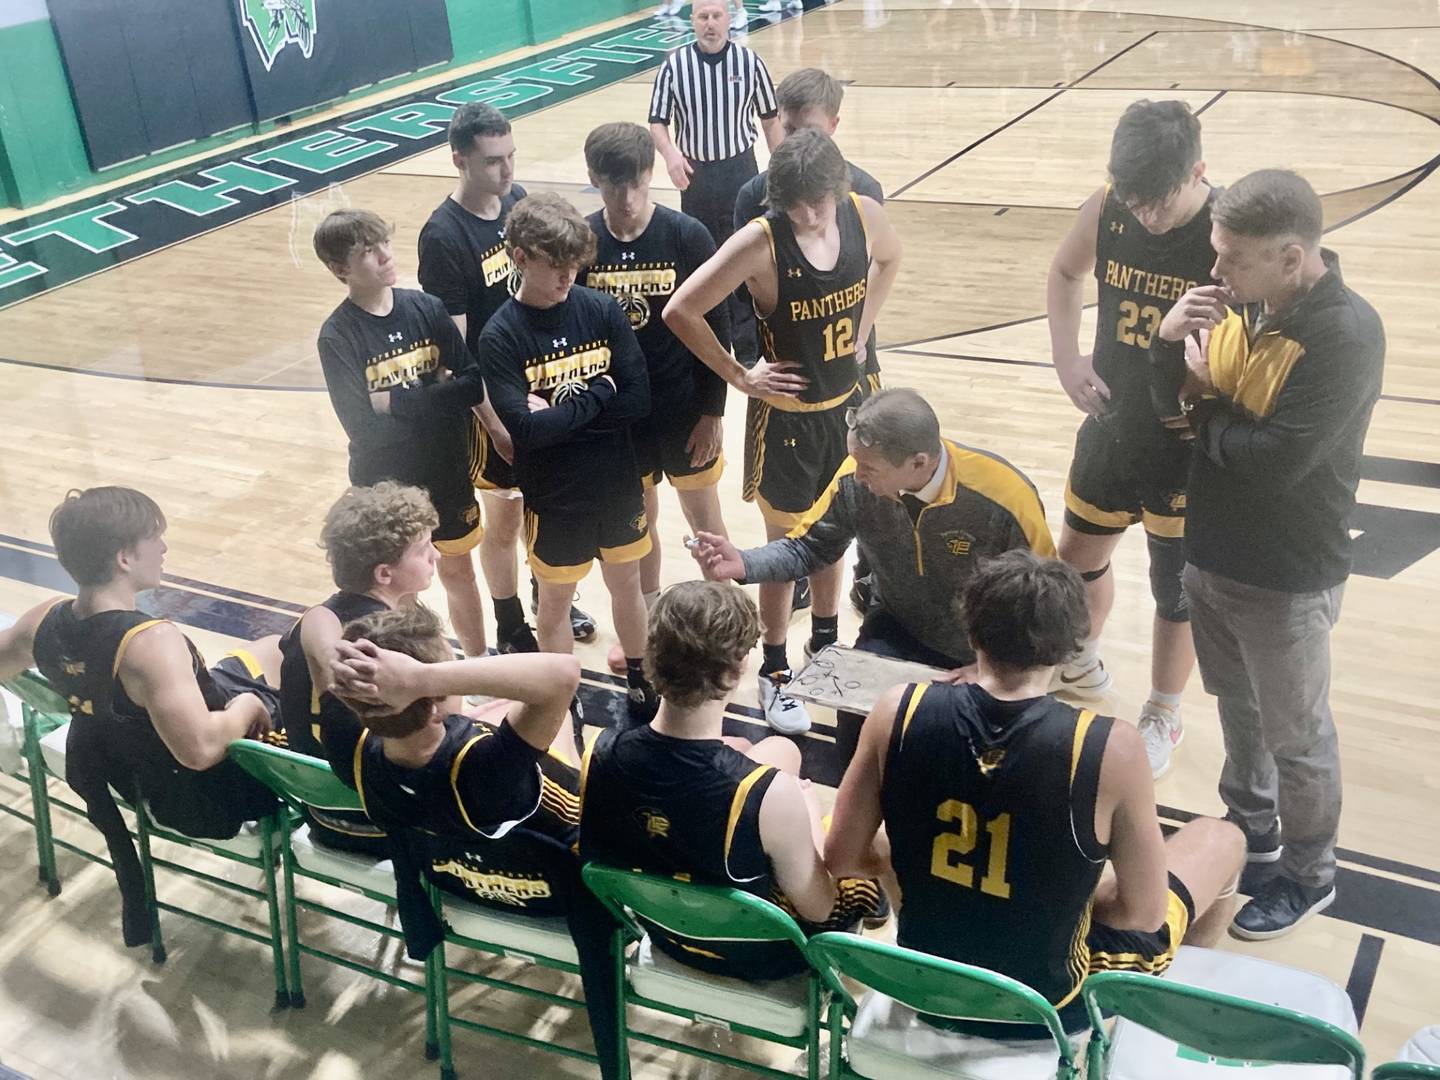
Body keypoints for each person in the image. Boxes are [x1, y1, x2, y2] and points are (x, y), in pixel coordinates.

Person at [825, 551, 1246, 1039]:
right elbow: (1142, 912)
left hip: (924, 986)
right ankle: (1156, 1030)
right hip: (1045, 1007)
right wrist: (1061, 896)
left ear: (971, 632)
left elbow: (842, 854)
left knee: (901, 854)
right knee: (1223, 839)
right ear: (1072, 648)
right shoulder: (1113, 747)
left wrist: (927, 869)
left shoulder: (897, 709)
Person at [1150, 168, 1384, 939]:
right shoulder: (1243, 308)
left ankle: (1311, 874)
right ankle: (1252, 827)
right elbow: (1170, 414)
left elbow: (1274, 459)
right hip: (1213, 555)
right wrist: (1166, 350)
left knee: (1299, 736)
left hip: (1286, 574)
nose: (1216, 272)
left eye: (1235, 257)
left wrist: (1202, 406)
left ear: (1292, 257)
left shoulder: (1345, 334)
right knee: (1240, 711)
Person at [665, 129, 903, 734]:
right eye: (793, 204)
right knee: (787, 553)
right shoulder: (759, 242)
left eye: (815, 201)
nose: (805, 213)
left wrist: (863, 328)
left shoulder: (860, 211)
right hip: (789, 425)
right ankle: (773, 671)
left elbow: (892, 257)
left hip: (847, 413)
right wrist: (741, 375)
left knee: (837, 540)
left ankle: (825, 649)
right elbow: (681, 311)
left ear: (837, 187)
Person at [322, 606, 624, 1078]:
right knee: (564, 729)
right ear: (434, 694)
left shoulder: (349, 750)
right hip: (564, 895)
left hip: (460, 880)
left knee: (504, 713)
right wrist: (424, 675)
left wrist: (412, 681)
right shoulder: (485, 772)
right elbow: (563, 674)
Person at [690, 388, 1054, 749]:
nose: (856, 473)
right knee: (854, 722)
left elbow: (1047, 600)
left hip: (983, 649)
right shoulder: (854, 479)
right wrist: (743, 562)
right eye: (855, 460)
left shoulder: (1005, 495)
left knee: (961, 745)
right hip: (897, 625)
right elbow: (809, 547)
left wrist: (996, 666)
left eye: (869, 468)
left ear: (918, 462)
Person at [0, 487, 281, 947]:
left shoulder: (42, 621)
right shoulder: (150, 644)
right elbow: (201, 751)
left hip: (122, 772)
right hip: (197, 793)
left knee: (267, 649)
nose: (165, 548)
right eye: (156, 538)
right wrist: (249, 708)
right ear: (125, 558)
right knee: (285, 659)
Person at [578, 581, 884, 983]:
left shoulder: (599, 754)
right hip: (759, 956)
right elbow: (818, 908)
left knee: (779, 751)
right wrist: (806, 809)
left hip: (667, 934)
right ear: (736, 669)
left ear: (651, 658)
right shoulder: (771, 795)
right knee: (866, 857)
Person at [1046, 100, 1219, 779]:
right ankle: (1080, 664)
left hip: (1182, 438)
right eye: (1133, 201)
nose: (1144, 216)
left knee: (1175, 588)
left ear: (1197, 170)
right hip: (1113, 417)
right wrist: (1067, 360)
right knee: (1076, 557)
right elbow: (1065, 272)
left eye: (1158, 203)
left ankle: (1163, 711)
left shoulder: (1223, 230)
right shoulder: (1108, 204)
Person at [418, 102, 595, 651]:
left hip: (541, 382)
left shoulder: (518, 205)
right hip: (491, 401)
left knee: (546, 500)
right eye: (493, 161)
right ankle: (510, 618)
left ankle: (548, 591)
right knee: (504, 517)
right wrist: (495, 423)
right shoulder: (444, 237)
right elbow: (457, 352)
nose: (507, 170)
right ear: (459, 160)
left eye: (511, 156)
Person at [477, 192, 656, 721]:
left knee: (628, 587)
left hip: (615, 481)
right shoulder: (500, 336)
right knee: (555, 602)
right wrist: (600, 392)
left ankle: (642, 682)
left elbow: (639, 399)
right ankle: (560, 694)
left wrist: (560, 412)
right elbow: (526, 433)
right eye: (555, 266)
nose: (567, 277)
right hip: (554, 495)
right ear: (520, 258)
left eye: (574, 266)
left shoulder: (601, 309)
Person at [733, 66, 887, 614]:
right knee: (792, 509)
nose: (798, 141)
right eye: (789, 128)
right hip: (790, 374)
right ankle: (792, 580)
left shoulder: (862, 190)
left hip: (850, 360)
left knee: (864, 478)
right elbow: (737, 297)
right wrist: (746, 364)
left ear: (835, 125)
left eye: (811, 131)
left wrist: (864, 334)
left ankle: (870, 570)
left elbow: (875, 267)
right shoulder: (756, 194)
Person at [580, 121, 732, 674]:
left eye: (636, 184)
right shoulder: (585, 243)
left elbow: (719, 324)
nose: (625, 199)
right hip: (622, 418)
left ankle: (727, 620)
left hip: (685, 409)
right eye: (612, 186)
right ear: (594, 178)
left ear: (650, 174)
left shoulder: (686, 235)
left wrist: (714, 409)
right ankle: (644, 629)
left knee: (705, 522)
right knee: (637, 526)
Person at [314, 208, 490, 658]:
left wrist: (395, 402)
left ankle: (473, 667)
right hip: (386, 488)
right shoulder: (337, 335)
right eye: (368, 252)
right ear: (341, 269)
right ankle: (413, 671)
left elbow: (471, 383)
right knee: (399, 592)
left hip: (445, 469)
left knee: (458, 574)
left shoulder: (425, 308)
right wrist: (437, 393)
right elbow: (363, 429)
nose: (385, 256)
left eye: (384, 243)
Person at [276, 482, 439, 854]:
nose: (436, 556)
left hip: (321, 814)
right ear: (384, 574)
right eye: (423, 549)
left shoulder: (314, 621)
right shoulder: (401, 645)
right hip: (390, 829)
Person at [648, 0, 783, 335]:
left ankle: (750, 336)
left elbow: (770, 120)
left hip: (741, 170)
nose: (710, 23)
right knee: (701, 250)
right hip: (698, 175)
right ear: (692, 20)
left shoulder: (750, 61)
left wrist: (781, 168)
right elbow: (657, 123)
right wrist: (671, 155)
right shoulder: (674, 66)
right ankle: (708, 326)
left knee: (747, 249)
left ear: (728, 19)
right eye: (703, 17)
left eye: (716, 16)